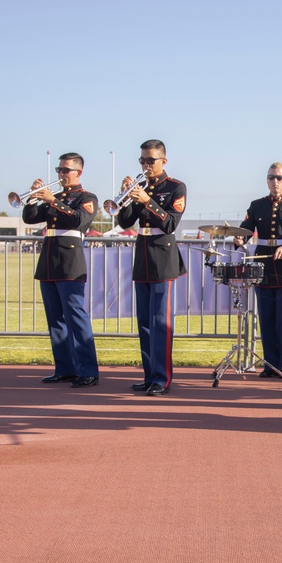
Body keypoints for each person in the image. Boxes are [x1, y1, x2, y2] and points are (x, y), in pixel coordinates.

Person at [21, 152, 100, 388]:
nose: (61, 174)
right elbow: (30, 218)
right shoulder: (53, 197)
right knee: (55, 319)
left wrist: (53, 201)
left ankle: (88, 371)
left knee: (76, 317)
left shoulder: (87, 197)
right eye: (59, 170)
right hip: (49, 261)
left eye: (66, 170)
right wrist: (33, 197)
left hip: (70, 262)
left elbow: (78, 220)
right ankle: (65, 368)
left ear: (79, 172)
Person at [116, 139, 186, 396]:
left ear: (163, 161)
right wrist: (126, 196)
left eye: (150, 160)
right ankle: (149, 376)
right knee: (144, 323)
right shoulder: (140, 187)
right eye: (142, 161)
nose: (146, 165)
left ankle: (162, 378)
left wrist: (147, 200)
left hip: (163, 258)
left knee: (160, 322)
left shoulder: (176, 187)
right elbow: (125, 220)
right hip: (143, 256)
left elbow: (170, 224)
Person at [234, 162, 282, 379]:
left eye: (279, 178)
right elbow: (245, 229)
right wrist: (240, 238)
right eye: (271, 178)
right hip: (263, 266)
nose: (275, 182)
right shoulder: (256, 205)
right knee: (266, 319)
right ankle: (270, 364)